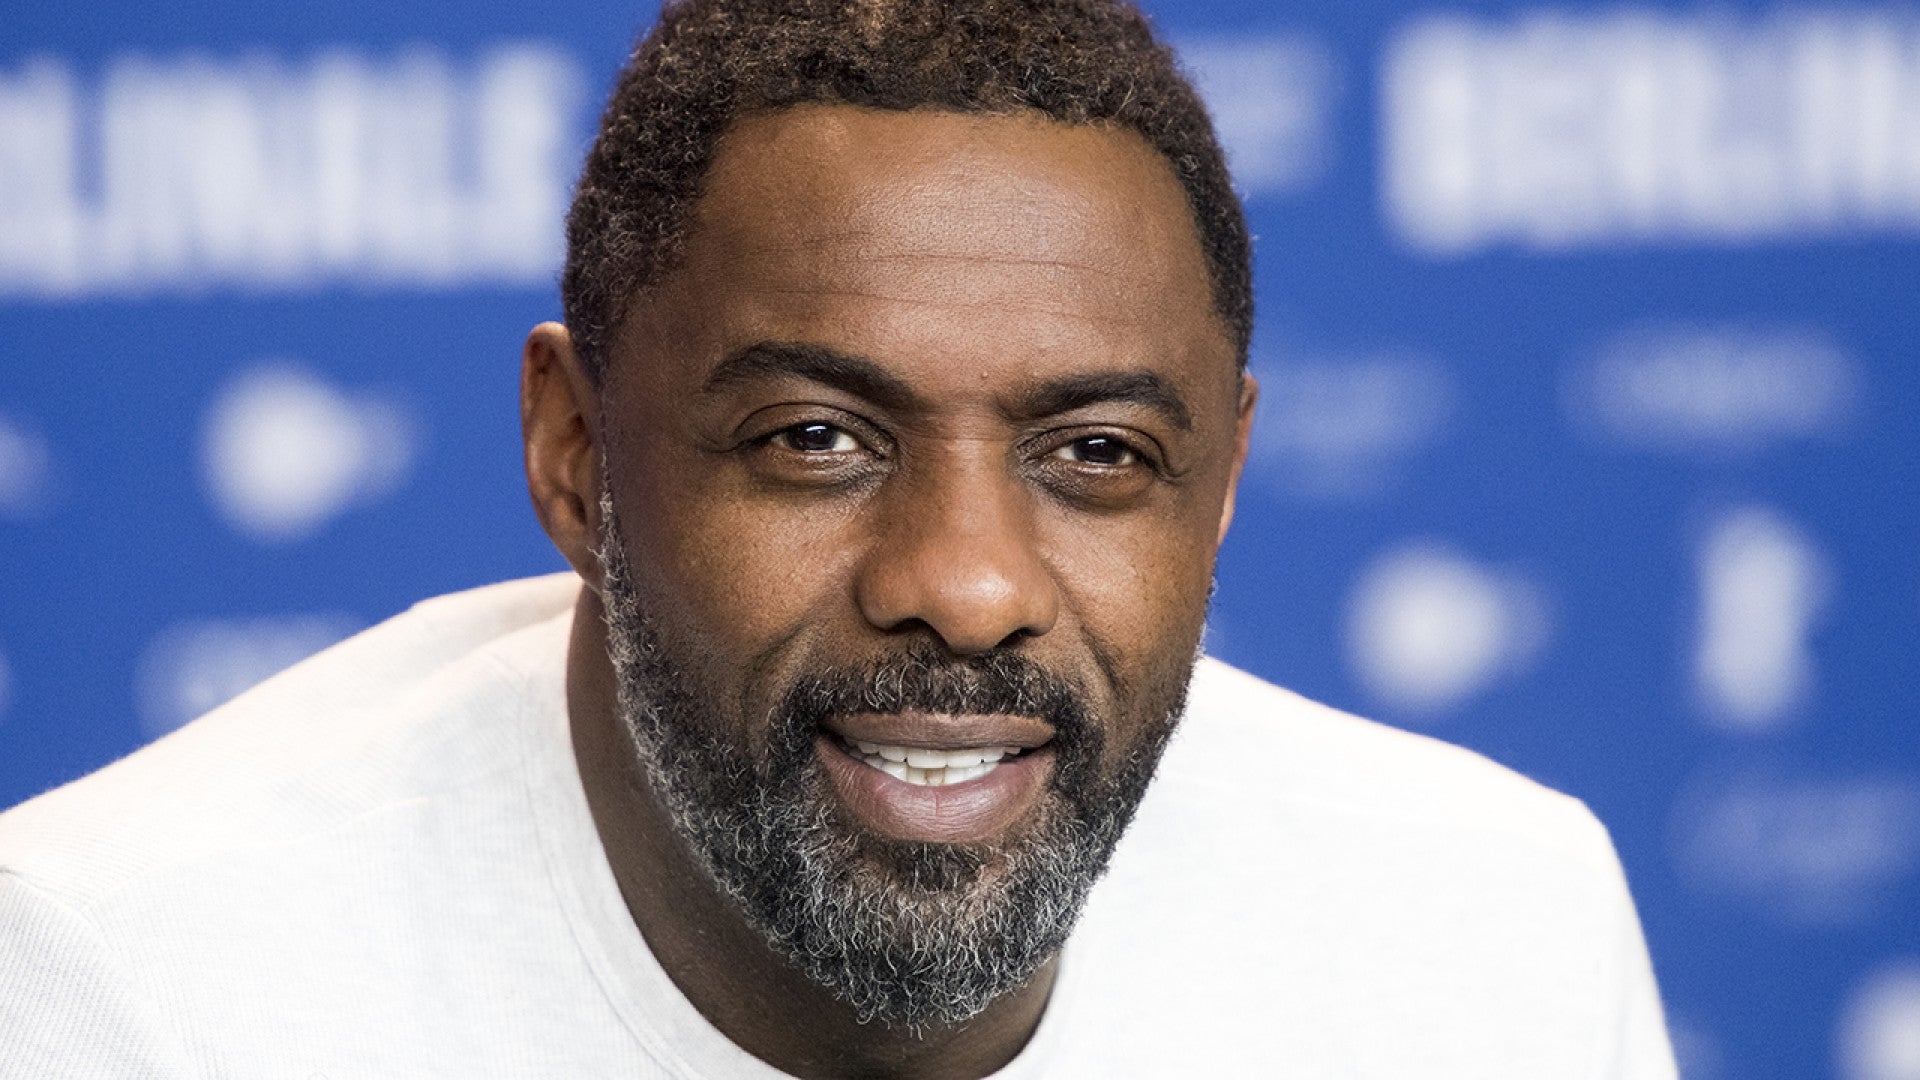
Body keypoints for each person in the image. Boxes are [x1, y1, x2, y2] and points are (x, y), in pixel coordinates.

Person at [0, 0, 1677, 1076]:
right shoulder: (119, 987)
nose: (966, 585)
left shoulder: (1494, 940)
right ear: (577, 458)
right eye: (816, 439)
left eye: (1096, 453)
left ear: (1225, 477)